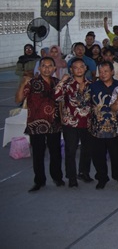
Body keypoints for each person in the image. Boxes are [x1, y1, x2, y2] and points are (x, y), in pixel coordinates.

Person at [16, 57, 63, 192]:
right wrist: (23, 83)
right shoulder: (32, 83)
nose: (47, 68)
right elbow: (18, 99)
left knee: (55, 153)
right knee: (38, 154)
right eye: (44, 66)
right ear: (39, 68)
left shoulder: (57, 82)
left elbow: (62, 102)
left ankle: (57, 178)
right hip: (36, 124)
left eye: (50, 66)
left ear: (54, 68)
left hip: (54, 124)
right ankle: (39, 181)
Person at [54, 58, 93, 187]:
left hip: (87, 122)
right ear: (71, 70)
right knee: (71, 150)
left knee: (87, 149)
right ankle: (71, 177)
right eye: (75, 67)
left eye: (81, 67)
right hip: (70, 123)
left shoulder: (91, 84)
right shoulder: (67, 84)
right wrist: (62, 81)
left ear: (85, 68)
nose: (79, 70)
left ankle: (84, 172)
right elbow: (56, 97)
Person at [90, 61, 118, 189]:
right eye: (101, 71)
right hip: (98, 127)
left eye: (106, 71)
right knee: (98, 155)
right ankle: (102, 177)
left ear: (112, 72)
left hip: (116, 127)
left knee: (116, 154)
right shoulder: (93, 86)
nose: (103, 74)